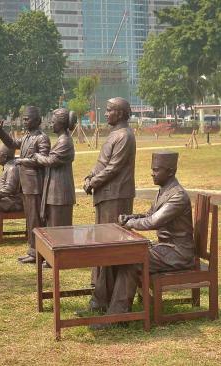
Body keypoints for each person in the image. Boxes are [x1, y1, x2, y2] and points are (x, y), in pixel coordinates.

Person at [85, 151, 194, 323]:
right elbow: (148, 214)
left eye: (156, 170)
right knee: (115, 253)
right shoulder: (164, 191)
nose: (152, 173)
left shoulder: (177, 196)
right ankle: (100, 302)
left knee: (133, 260)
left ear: (170, 172)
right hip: (164, 248)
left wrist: (129, 224)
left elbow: (153, 222)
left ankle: (117, 318)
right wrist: (132, 217)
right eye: (153, 169)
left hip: (178, 253)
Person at [82, 97, 136, 312]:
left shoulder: (125, 136)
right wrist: (89, 176)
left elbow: (114, 167)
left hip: (116, 196)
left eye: (109, 110)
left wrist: (93, 182)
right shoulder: (114, 134)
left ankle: (108, 298)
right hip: (105, 195)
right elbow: (101, 164)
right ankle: (101, 295)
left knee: (111, 247)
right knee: (102, 245)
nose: (105, 114)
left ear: (121, 114)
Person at [0, 106, 51, 264]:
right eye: (24, 119)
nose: (24, 121)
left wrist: (21, 161)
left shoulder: (42, 138)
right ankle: (33, 250)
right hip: (25, 185)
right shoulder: (27, 137)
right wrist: (1, 131)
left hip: (35, 185)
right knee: (30, 219)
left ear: (37, 120)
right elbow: (12, 143)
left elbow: (42, 160)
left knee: (36, 219)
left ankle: (38, 253)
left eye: (27, 119)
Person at [16, 108, 76, 227]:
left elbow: (51, 160)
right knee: (52, 225)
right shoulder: (61, 140)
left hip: (60, 191)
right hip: (55, 189)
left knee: (58, 227)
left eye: (53, 122)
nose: (51, 124)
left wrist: (37, 156)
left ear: (61, 123)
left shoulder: (64, 141)